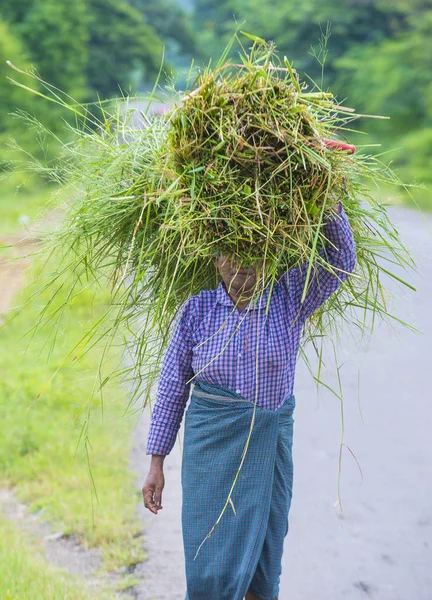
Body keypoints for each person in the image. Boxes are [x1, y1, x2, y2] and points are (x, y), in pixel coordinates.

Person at [143, 197, 356, 600]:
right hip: (210, 459)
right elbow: (172, 388)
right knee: (208, 566)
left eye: (251, 258)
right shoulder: (196, 312)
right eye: (229, 258)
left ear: (269, 257)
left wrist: (327, 203)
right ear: (214, 260)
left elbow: (342, 259)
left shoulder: (290, 297)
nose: (239, 269)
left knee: (262, 560)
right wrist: (156, 464)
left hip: (268, 451)